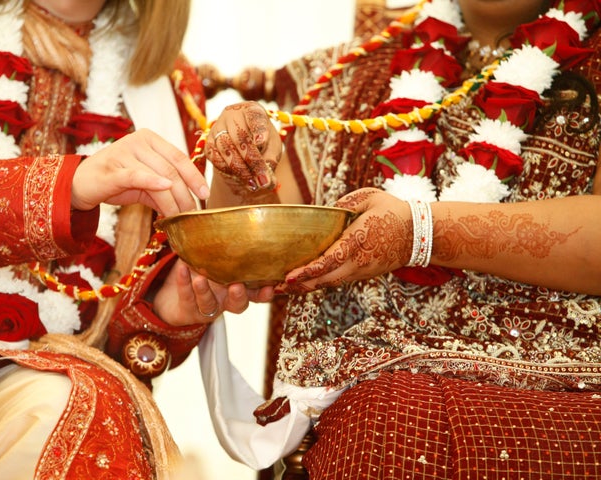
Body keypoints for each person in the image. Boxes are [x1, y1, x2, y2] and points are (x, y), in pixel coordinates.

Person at [199, 0, 601, 478]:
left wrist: (421, 231)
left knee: (391, 418)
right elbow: (254, 251)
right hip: (374, 393)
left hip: (566, 390)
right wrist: (240, 164)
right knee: (386, 418)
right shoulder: (355, 74)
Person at [0, 0, 272, 479]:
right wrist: (72, 186)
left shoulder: (170, 85)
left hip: (50, 385)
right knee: (76, 407)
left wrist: (169, 307)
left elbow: (118, 335)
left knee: (85, 407)